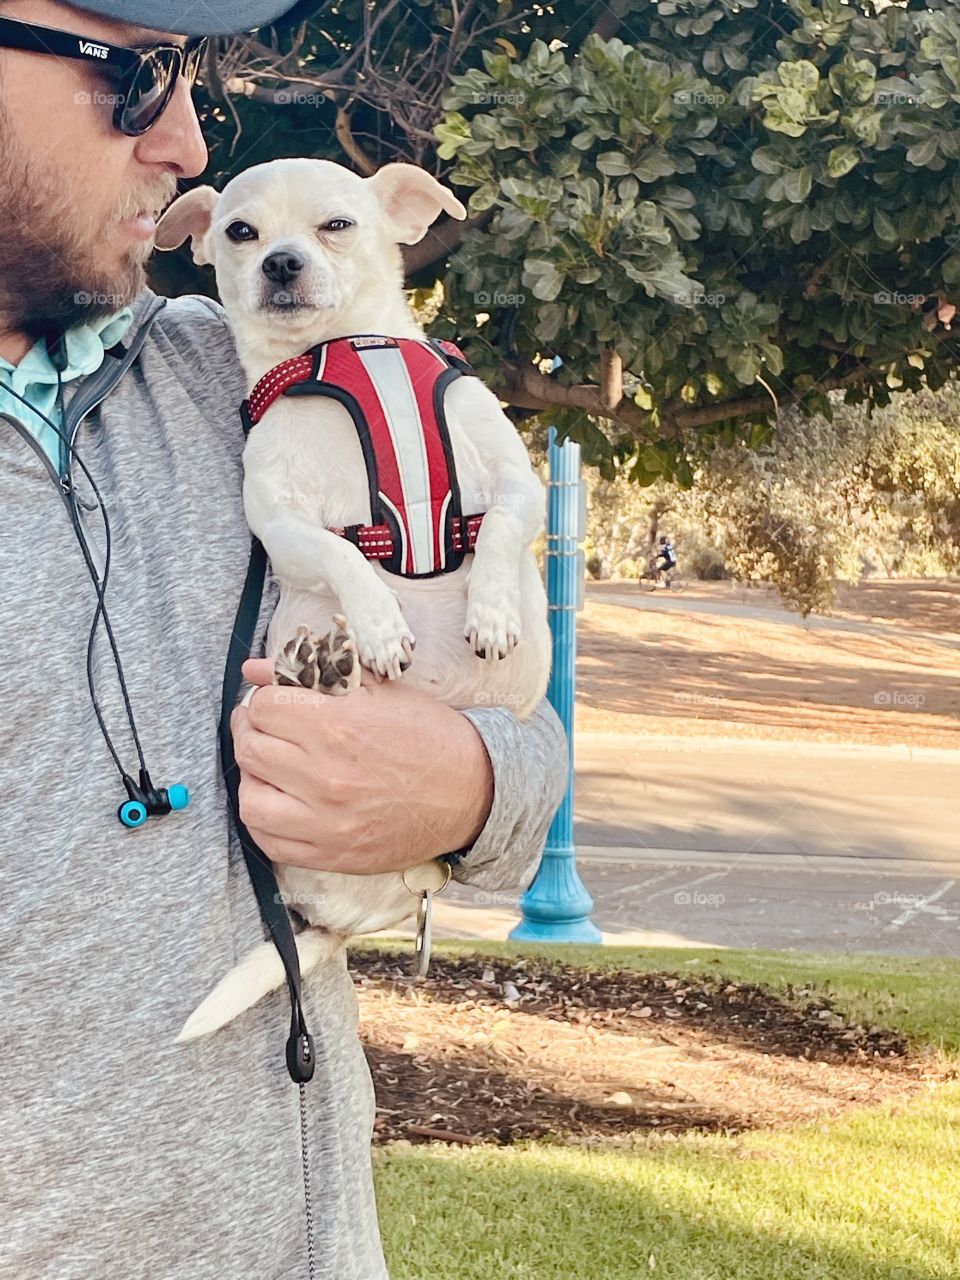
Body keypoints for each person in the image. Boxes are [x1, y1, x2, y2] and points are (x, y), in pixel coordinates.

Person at [0, 3, 567, 1277]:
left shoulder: (259, 369)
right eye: (138, 76)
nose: (189, 145)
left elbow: (520, 727)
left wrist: (470, 783)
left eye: (188, 79)